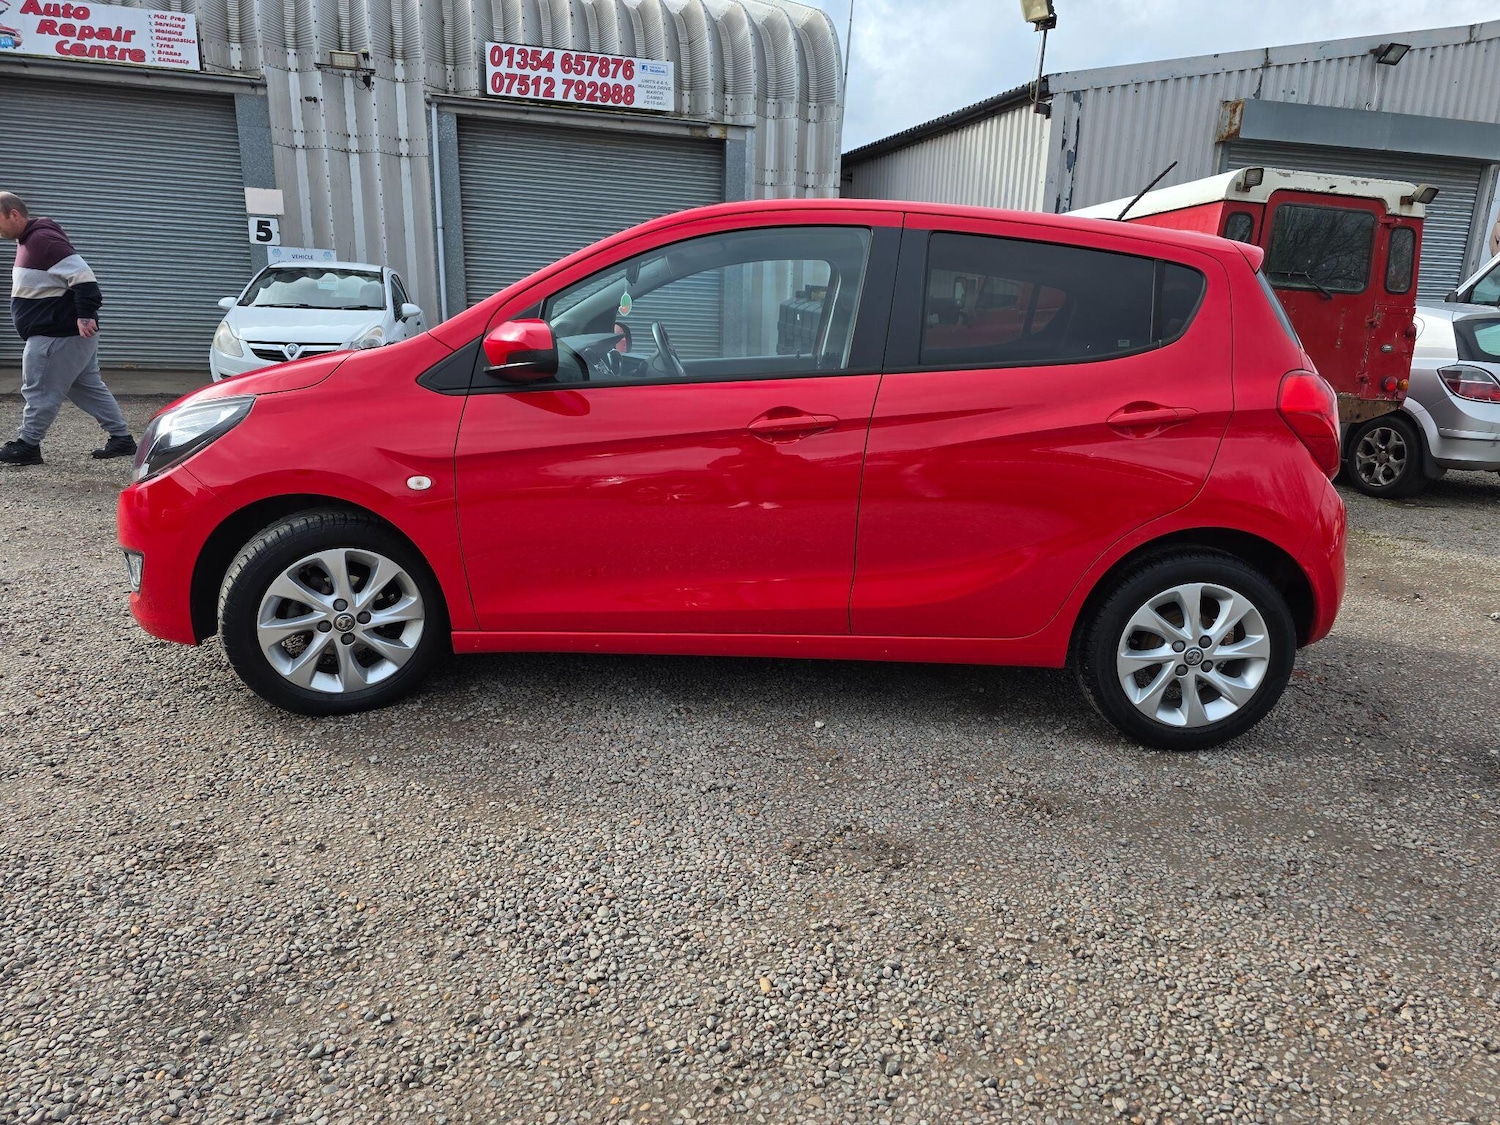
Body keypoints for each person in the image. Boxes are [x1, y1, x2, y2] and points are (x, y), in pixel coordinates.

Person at [0, 191, 135, 466]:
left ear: (13, 214)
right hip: (65, 335)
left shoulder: (42, 240)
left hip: (56, 334)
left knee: (39, 388)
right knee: (87, 386)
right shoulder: (30, 239)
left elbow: (84, 278)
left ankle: (28, 445)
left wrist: (85, 315)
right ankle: (122, 439)